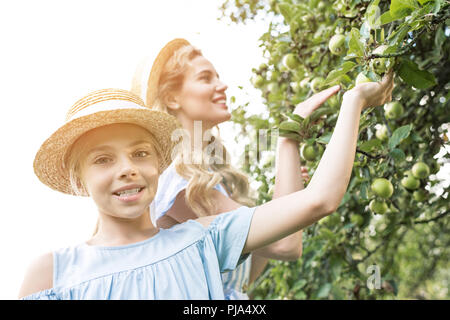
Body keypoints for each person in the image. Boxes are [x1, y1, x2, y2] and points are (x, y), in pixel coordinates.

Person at [19, 67, 393, 299]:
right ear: (77, 177)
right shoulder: (52, 273)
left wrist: (353, 101)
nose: (127, 169)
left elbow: (320, 200)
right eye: (103, 159)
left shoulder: (201, 239)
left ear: (159, 162)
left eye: (140, 154)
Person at [131, 39, 342, 299]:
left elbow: (245, 275)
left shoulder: (207, 181)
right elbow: (285, 246)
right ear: (172, 98)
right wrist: (289, 136)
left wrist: (287, 191)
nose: (222, 85)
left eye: (217, 77)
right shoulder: (177, 183)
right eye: (206, 78)